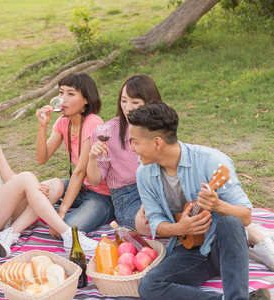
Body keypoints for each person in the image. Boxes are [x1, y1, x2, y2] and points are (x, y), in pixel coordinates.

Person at [0, 89, 97, 258]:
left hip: (2, 210)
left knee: (54, 186)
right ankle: (69, 236)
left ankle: (10, 234)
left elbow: (8, 175)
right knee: (27, 178)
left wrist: (34, 189)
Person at [127, 101, 258, 299]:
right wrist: (181, 229)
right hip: (189, 252)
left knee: (232, 222)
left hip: (221, 248)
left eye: (135, 141)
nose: (132, 148)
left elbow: (246, 217)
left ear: (157, 142)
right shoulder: (144, 174)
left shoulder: (213, 161)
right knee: (149, 286)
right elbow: (155, 222)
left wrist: (218, 205)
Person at [35, 72, 115, 241]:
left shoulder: (93, 123)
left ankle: (92, 212)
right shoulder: (64, 121)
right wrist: (42, 126)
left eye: (71, 94)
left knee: (65, 229)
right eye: (61, 92)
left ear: (86, 99)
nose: (63, 99)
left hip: (101, 195)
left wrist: (61, 212)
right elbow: (42, 158)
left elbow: (80, 172)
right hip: (79, 187)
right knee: (37, 193)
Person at [87, 74, 161, 236]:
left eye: (135, 102)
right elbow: (94, 180)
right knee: (152, 224)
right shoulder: (109, 131)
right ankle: (183, 230)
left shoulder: (160, 127)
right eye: (124, 100)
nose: (127, 108)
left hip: (158, 188)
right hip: (128, 197)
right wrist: (92, 158)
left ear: (150, 103)